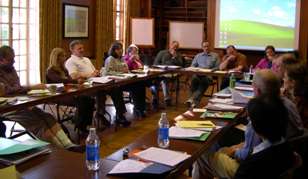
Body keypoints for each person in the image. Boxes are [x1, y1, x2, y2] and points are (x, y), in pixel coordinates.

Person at [192, 69, 303, 178]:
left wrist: (234, 151)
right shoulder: (286, 105)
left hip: (255, 167)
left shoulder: (262, 113)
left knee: (202, 153)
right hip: (279, 158)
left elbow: (246, 155)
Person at [0, 45, 81, 152]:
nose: (14, 62)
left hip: (20, 103)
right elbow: (7, 90)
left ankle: (68, 145)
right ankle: (60, 150)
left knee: (47, 116)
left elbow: (17, 87)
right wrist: (28, 87)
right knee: (37, 122)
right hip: (8, 109)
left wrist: (22, 89)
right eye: (11, 60)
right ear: (1, 60)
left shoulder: (11, 69)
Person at [65, 40, 129, 127]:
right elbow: (74, 76)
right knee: (100, 91)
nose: (82, 50)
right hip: (84, 86)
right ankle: (100, 114)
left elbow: (94, 71)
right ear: (72, 50)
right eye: (79, 48)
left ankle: (120, 115)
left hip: (96, 81)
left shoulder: (86, 59)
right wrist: (90, 75)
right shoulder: (70, 61)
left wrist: (97, 72)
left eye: (82, 48)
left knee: (116, 88)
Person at [234, 95, 294, 178]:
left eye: (250, 119)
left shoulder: (251, 163)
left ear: (257, 126)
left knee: (218, 156)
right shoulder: (289, 148)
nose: (248, 121)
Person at [47, 48, 95, 132]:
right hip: (58, 95)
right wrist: (75, 81)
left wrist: (77, 83)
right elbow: (60, 81)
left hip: (68, 93)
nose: (65, 58)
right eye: (63, 56)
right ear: (57, 57)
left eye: (65, 55)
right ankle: (79, 124)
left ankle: (85, 124)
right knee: (83, 101)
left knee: (90, 99)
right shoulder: (50, 71)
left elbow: (68, 82)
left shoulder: (64, 69)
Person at [103, 41, 146, 118]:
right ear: (114, 50)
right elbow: (108, 72)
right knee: (119, 90)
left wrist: (124, 71)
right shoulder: (110, 59)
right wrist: (120, 72)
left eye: (121, 49)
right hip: (116, 83)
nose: (120, 51)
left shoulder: (122, 59)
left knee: (140, 85)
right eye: (118, 49)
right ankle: (121, 114)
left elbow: (126, 69)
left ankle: (140, 108)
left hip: (124, 81)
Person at [123, 44, 159, 109]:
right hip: (132, 79)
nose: (136, 53)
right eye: (134, 52)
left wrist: (138, 61)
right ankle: (140, 105)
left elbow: (141, 67)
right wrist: (131, 60)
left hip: (141, 76)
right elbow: (126, 68)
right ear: (129, 52)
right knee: (143, 84)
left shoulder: (137, 59)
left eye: (136, 52)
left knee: (156, 80)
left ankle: (152, 99)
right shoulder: (126, 58)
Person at [186, 41, 220, 108]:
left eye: (207, 46)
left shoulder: (215, 55)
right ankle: (194, 103)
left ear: (210, 47)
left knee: (203, 82)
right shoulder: (198, 56)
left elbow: (218, 67)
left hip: (208, 76)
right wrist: (195, 69)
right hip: (197, 74)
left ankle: (192, 99)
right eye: (204, 46)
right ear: (202, 47)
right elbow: (192, 65)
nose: (206, 48)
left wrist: (212, 70)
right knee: (193, 80)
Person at [153, 40, 184, 106]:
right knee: (157, 81)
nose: (175, 48)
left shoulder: (178, 55)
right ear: (170, 45)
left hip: (173, 74)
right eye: (174, 46)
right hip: (162, 73)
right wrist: (161, 67)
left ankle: (167, 98)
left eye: (176, 47)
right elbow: (155, 63)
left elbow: (181, 65)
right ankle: (156, 98)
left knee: (165, 80)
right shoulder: (162, 53)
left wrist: (175, 57)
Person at [283, 63, 308, 128]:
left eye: (285, 77)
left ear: (292, 82)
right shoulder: (288, 93)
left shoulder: (302, 102)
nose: (283, 79)